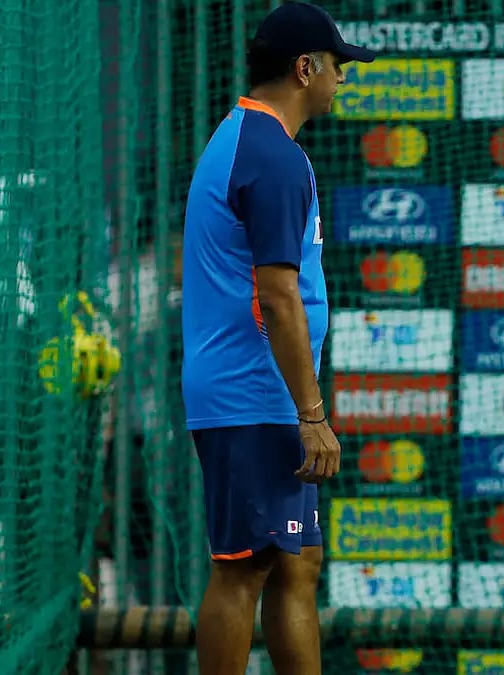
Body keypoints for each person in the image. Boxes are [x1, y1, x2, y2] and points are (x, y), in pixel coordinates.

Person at [179, 3, 374, 674]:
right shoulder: (271, 153)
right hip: (253, 394)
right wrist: (312, 414)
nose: (343, 77)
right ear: (304, 68)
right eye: (337, 65)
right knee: (245, 568)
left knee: (296, 562)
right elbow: (277, 296)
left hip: (256, 393)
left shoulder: (248, 138)